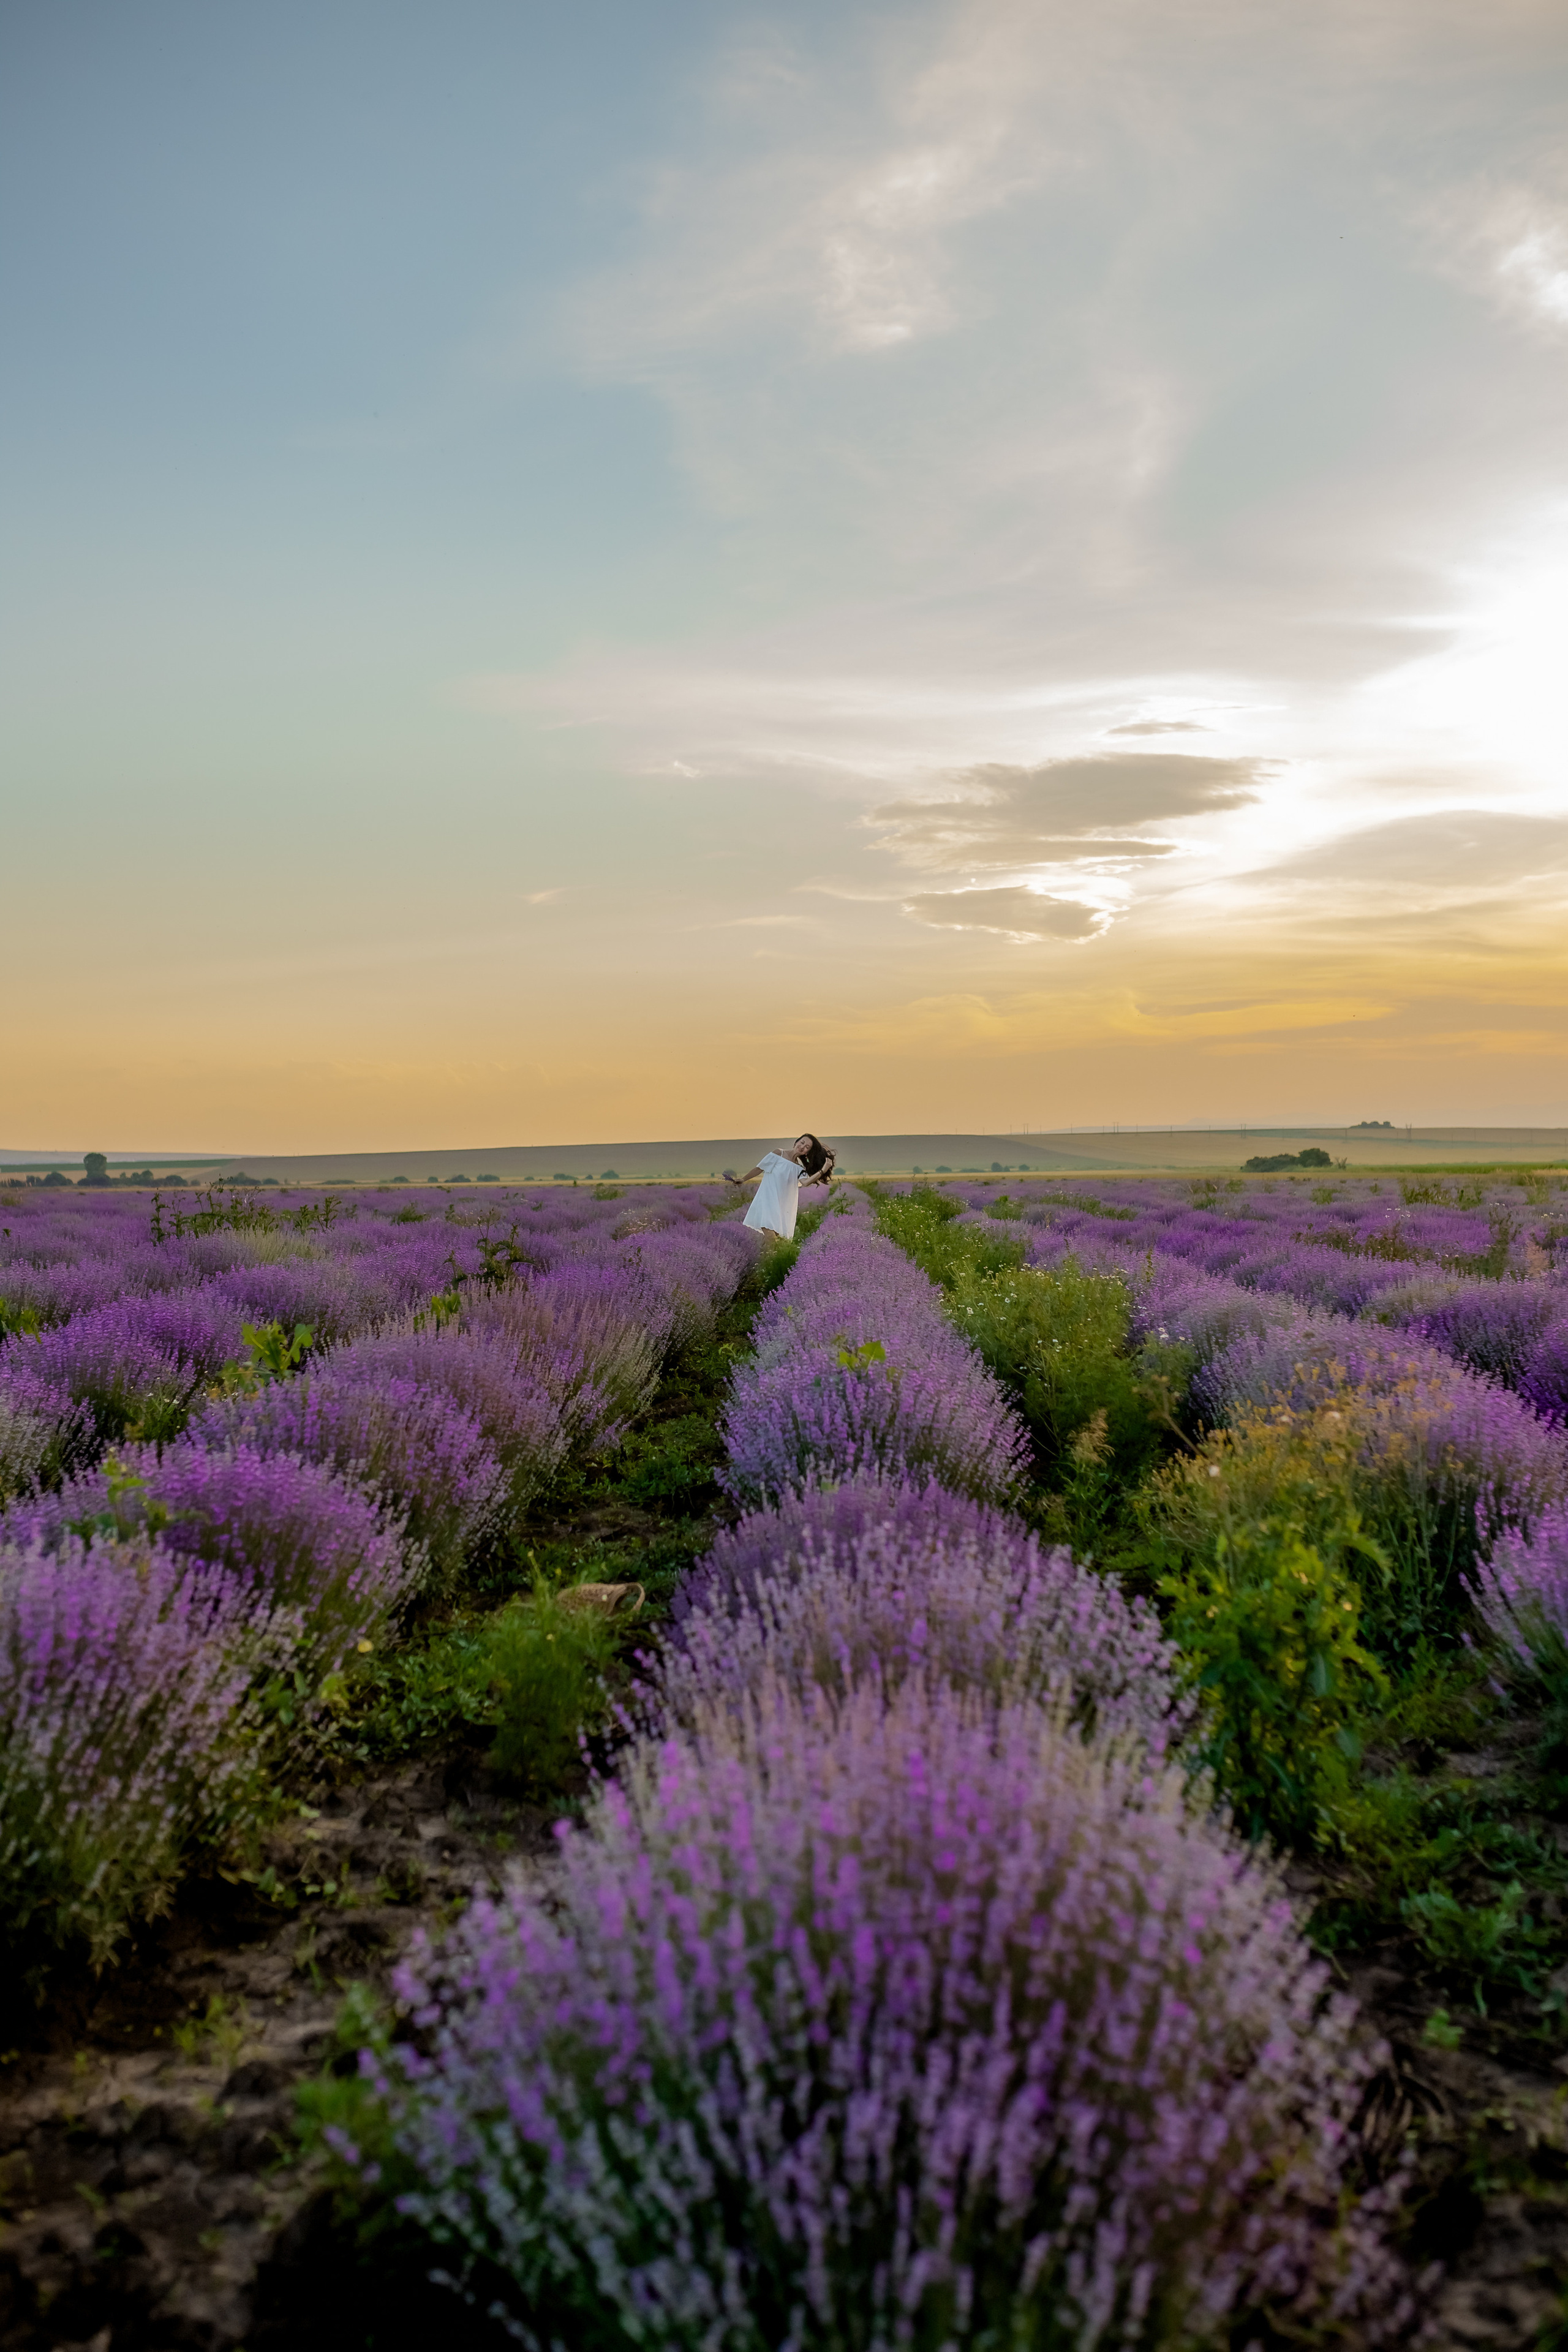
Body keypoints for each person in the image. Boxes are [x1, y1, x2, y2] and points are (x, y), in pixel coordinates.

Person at [723, 1134, 835, 1239]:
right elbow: (760, 1168)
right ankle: (770, 1258)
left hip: (782, 1206)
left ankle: (769, 1258)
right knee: (770, 1236)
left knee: (775, 1239)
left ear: (807, 1152)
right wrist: (743, 1179)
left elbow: (806, 1183)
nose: (802, 1147)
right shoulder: (778, 1154)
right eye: (802, 1143)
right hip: (767, 1200)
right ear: (796, 1142)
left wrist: (823, 1170)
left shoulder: (799, 1169)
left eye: (807, 1147)